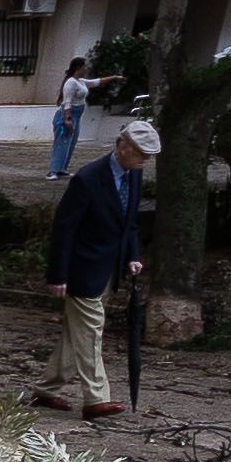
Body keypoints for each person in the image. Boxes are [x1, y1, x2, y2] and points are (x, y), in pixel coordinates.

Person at [36, 117, 157, 420]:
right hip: (81, 268)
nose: (145, 160)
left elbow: (128, 222)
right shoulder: (88, 178)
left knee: (74, 332)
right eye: (141, 153)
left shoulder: (133, 175)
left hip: (109, 268)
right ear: (122, 146)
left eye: (149, 156)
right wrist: (58, 274)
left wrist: (132, 255)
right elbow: (64, 229)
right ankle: (96, 397)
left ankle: (46, 389)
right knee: (91, 331)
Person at [48, 56, 93, 179]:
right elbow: (67, 102)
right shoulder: (71, 82)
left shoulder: (81, 81)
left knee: (70, 143)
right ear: (79, 67)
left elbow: (96, 82)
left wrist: (114, 78)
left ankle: (62, 168)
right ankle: (53, 170)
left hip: (77, 116)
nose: (86, 69)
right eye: (84, 66)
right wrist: (67, 119)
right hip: (68, 115)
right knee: (62, 142)